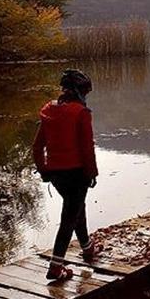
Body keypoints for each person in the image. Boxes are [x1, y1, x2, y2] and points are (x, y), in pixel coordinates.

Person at [32, 69, 101, 281]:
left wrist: (43, 170)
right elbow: (87, 148)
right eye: (85, 92)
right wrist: (92, 173)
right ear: (80, 92)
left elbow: (37, 147)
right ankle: (56, 267)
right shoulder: (81, 113)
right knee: (69, 217)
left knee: (76, 207)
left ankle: (87, 248)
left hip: (56, 174)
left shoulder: (48, 110)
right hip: (76, 173)